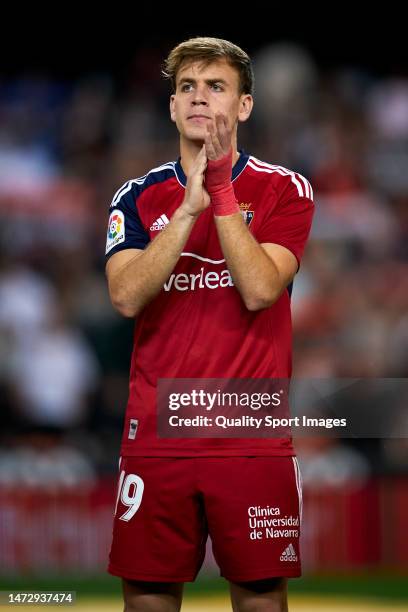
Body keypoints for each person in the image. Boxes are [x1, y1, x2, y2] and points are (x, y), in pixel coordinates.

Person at [105, 37, 314, 612]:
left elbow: (261, 288)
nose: (199, 99)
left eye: (216, 86)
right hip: (154, 437)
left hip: (249, 438)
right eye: (187, 88)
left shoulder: (283, 189)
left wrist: (218, 190)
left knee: (260, 601)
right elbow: (124, 295)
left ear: (244, 106)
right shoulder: (138, 196)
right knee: (147, 599)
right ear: (172, 106)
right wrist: (189, 208)